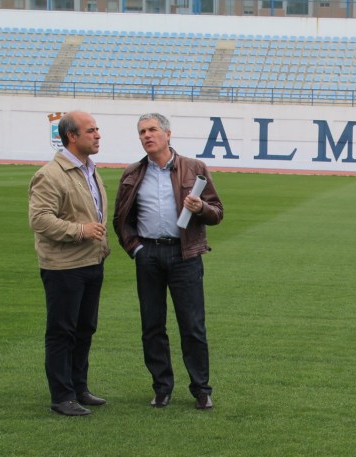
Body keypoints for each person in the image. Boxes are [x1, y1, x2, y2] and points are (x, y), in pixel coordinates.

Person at [113, 112, 224, 410]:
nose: (147, 136)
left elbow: (217, 213)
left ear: (167, 134)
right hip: (148, 255)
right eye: (142, 132)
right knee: (152, 325)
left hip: (184, 255)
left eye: (152, 130)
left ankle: (201, 389)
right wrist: (136, 249)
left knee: (192, 326)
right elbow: (121, 219)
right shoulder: (133, 173)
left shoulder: (194, 168)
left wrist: (200, 207)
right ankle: (162, 387)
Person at [28, 110, 110, 416]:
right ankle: (62, 397)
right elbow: (39, 219)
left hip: (91, 261)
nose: (98, 134)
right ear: (71, 137)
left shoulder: (89, 169)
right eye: (91, 130)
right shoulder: (50, 174)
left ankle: (79, 388)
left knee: (85, 328)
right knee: (62, 331)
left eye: (98, 129)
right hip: (64, 267)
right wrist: (81, 231)